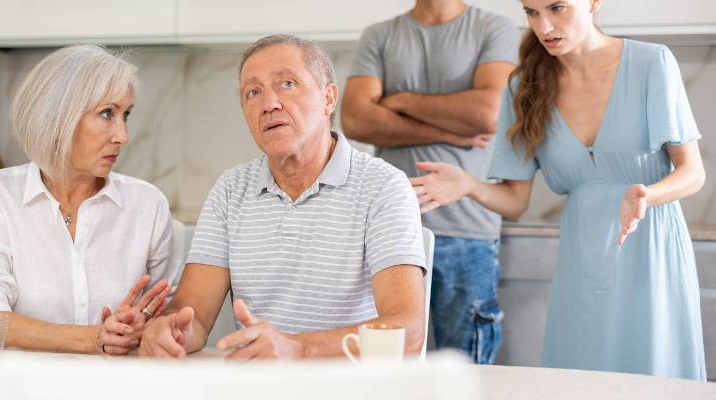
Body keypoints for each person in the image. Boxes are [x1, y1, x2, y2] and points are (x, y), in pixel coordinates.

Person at [410, 0, 707, 379]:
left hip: (651, 249)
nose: (544, 25)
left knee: (655, 370)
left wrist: (649, 195)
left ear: (595, 3)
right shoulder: (524, 87)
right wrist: (469, 185)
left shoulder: (651, 63)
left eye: (557, 8)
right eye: (531, 12)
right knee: (582, 378)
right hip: (582, 264)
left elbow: (692, 172)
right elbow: (515, 202)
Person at [138, 34, 426, 359]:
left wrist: (298, 348)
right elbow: (195, 315)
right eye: (253, 92)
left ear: (329, 98)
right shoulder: (230, 190)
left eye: (286, 84)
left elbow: (408, 332)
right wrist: (171, 331)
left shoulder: (383, 186)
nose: (269, 104)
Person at [0, 45, 180, 355]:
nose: (123, 136)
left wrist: (145, 326)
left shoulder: (148, 205)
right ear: (58, 118)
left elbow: (166, 315)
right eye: (107, 114)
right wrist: (94, 338)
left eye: (126, 115)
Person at [341, 0, 519, 363]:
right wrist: (454, 134)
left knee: (467, 370)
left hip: (468, 230)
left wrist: (401, 100)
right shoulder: (380, 35)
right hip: (390, 232)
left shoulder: (494, 28)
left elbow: (488, 113)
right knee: (388, 365)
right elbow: (356, 119)